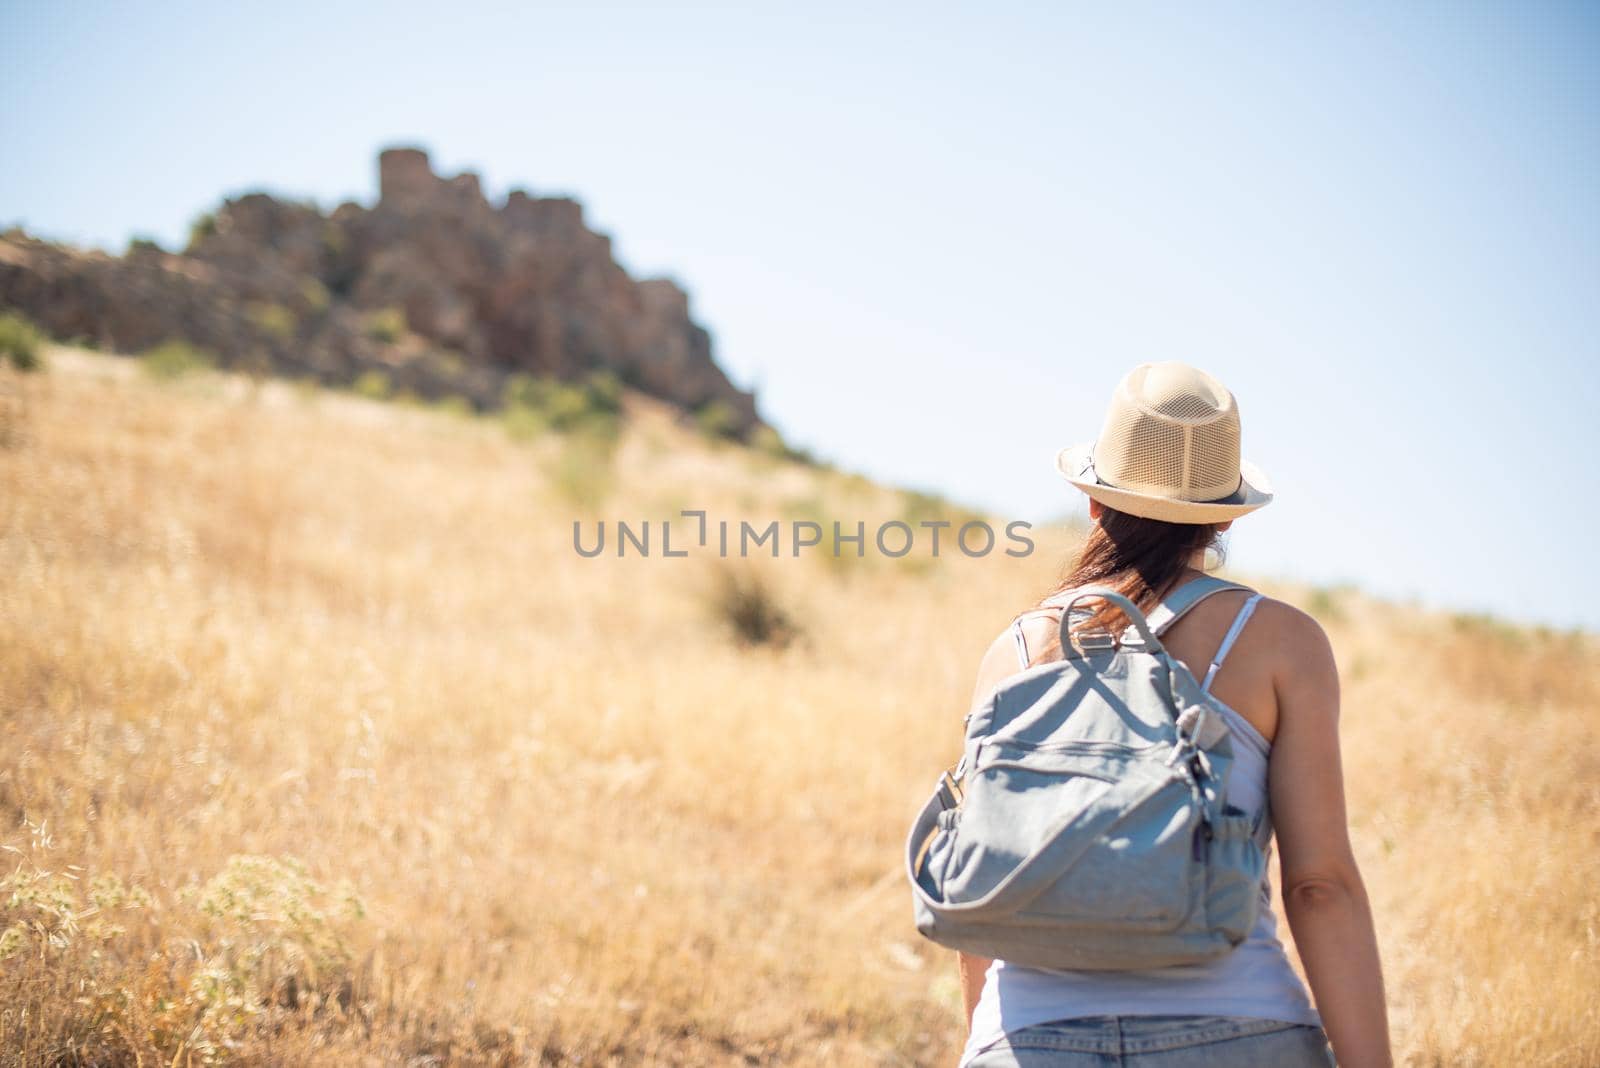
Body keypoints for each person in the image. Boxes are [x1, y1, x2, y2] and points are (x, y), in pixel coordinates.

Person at [955, 363, 1391, 1068]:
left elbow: (981, 884)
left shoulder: (1015, 651)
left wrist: (989, 1040)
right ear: (1222, 517)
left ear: (1093, 502)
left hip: (1028, 1039)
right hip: (1239, 1027)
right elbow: (1319, 885)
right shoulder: (1280, 640)